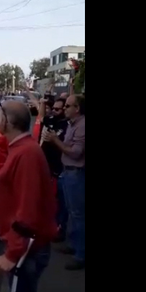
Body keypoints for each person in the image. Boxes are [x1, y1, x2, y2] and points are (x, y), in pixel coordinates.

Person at [0, 100, 57, 292]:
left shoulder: (26, 153)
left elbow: (27, 212)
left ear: (6, 122)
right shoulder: (22, 149)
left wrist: (12, 254)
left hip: (27, 252)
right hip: (25, 248)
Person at [43, 94, 85, 270]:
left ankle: (81, 254)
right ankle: (75, 245)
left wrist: (54, 141)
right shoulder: (72, 124)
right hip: (68, 173)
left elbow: (75, 152)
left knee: (78, 214)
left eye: (68, 106)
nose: (64, 109)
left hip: (76, 173)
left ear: (77, 109)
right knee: (71, 211)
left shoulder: (82, 126)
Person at [37, 97, 69, 241]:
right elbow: (42, 117)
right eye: (53, 108)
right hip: (45, 164)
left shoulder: (67, 124)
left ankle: (59, 228)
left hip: (59, 166)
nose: (54, 111)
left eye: (58, 109)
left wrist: (54, 139)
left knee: (59, 201)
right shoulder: (50, 119)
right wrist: (43, 102)